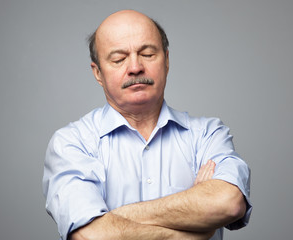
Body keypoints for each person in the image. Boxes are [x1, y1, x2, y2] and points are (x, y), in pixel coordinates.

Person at [43, 10, 252, 240]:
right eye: (119, 59)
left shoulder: (208, 135)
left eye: (148, 53)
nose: (135, 67)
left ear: (167, 60)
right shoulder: (72, 143)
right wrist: (191, 231)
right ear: (98, 73)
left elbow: (228, 203)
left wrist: (114, 219)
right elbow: (89, 237)